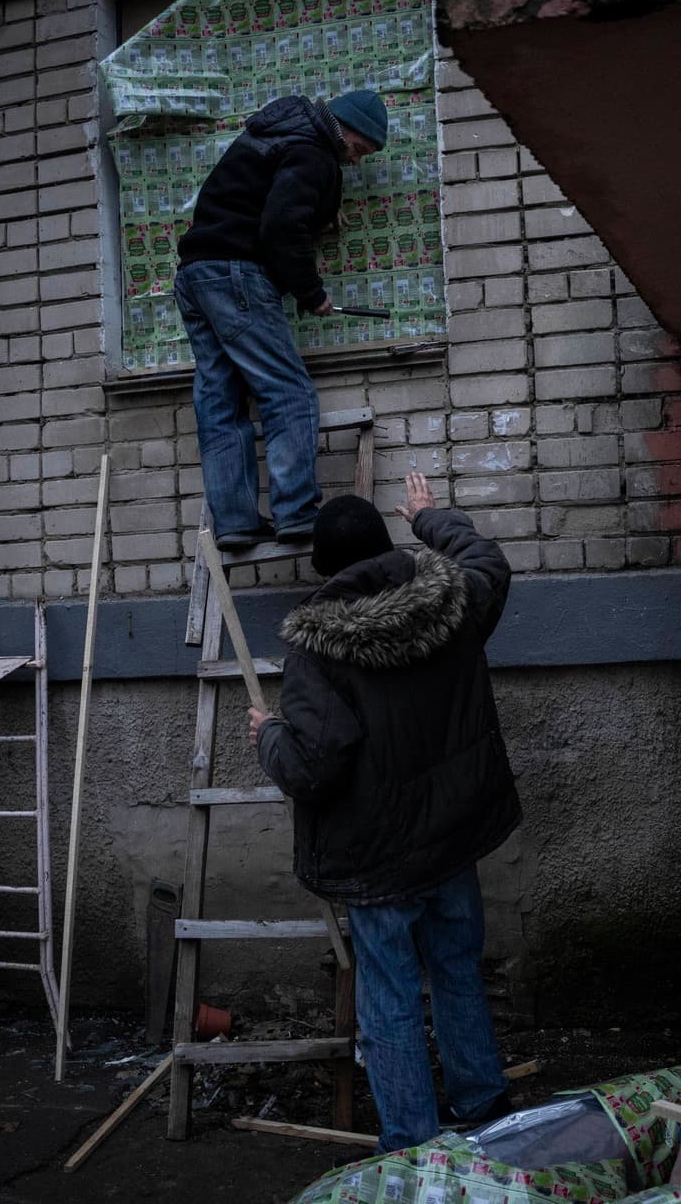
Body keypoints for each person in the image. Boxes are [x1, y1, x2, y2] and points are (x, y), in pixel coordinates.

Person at [247, 472, 520, 1150]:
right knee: (457, 970)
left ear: (324, 568)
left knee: (390, 998)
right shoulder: (450, 599)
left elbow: (314, 765)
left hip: (377, 861)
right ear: (385, 542)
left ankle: (413, 1146)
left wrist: (269, 735)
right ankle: (482, 1109)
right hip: (452, 838)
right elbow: (488, 561)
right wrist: (431, 519)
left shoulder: (317, 648)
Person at [175, 89, 387, 550]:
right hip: (236, 274)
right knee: (287, 393)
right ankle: (295, 512)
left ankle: (234, 522)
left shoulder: (276, 135)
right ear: (345, 130)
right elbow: (280, 226)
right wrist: (311, 293)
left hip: (196, 275)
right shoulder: (313, 150)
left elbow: (262, 207)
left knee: (221, 401)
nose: (354, 161)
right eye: (359, 150)